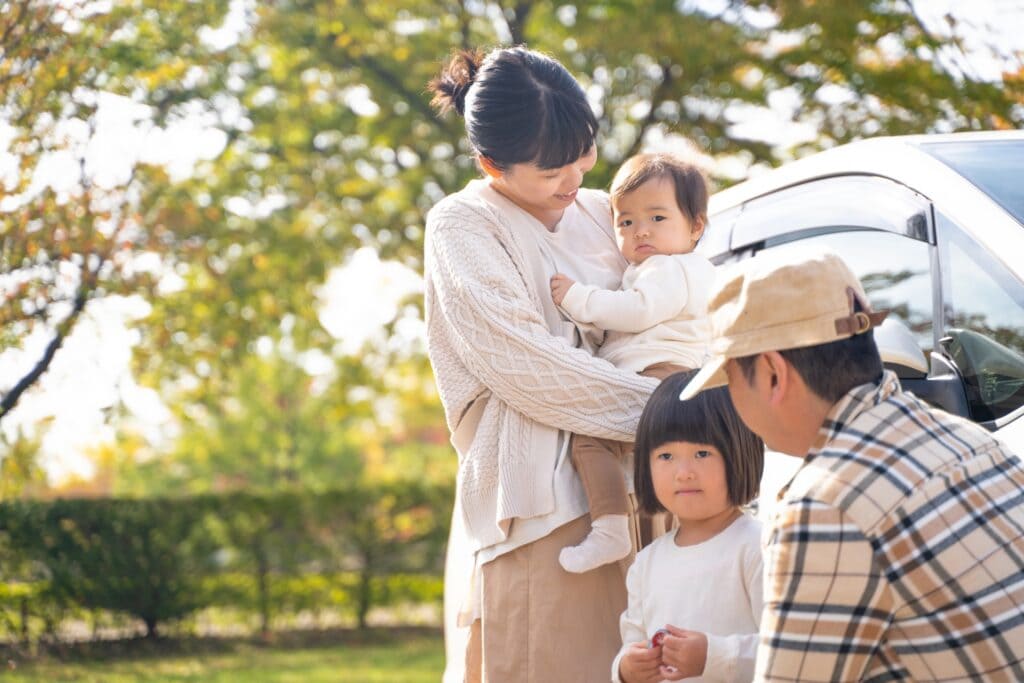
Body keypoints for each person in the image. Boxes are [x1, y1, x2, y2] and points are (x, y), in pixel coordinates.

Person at [424, 46, 662, 682]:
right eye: (552, 169)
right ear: (489, 164)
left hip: (654, 490)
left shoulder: (604, 212)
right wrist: (678, 411)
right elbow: (528, 368)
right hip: (547, 511)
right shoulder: (463, 225)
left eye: (583, 154)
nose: (575, 178)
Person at [679, 246, 1024, 681]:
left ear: (771, 374)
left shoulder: (825, 506)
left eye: (729, 379)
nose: (729, 399)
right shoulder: (969, 440)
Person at [549, 153, 715, 573]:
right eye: (626, 222)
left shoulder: (669, 268)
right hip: (663, 378)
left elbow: (638, 311)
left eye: (657, 218)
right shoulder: (662, 267)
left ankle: (609, 528)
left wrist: (577, 298)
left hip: (661, 375)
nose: (640, 230)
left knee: (589, 438)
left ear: (695, 225)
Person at [614, 369, 764, 683]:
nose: (683, 472)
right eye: (666, 455)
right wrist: (626, 670)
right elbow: (632, 642)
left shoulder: (757, 546)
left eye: (702, 453)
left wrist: (714, 656)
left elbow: (785, 650)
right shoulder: (646, 563)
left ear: (739, 453)